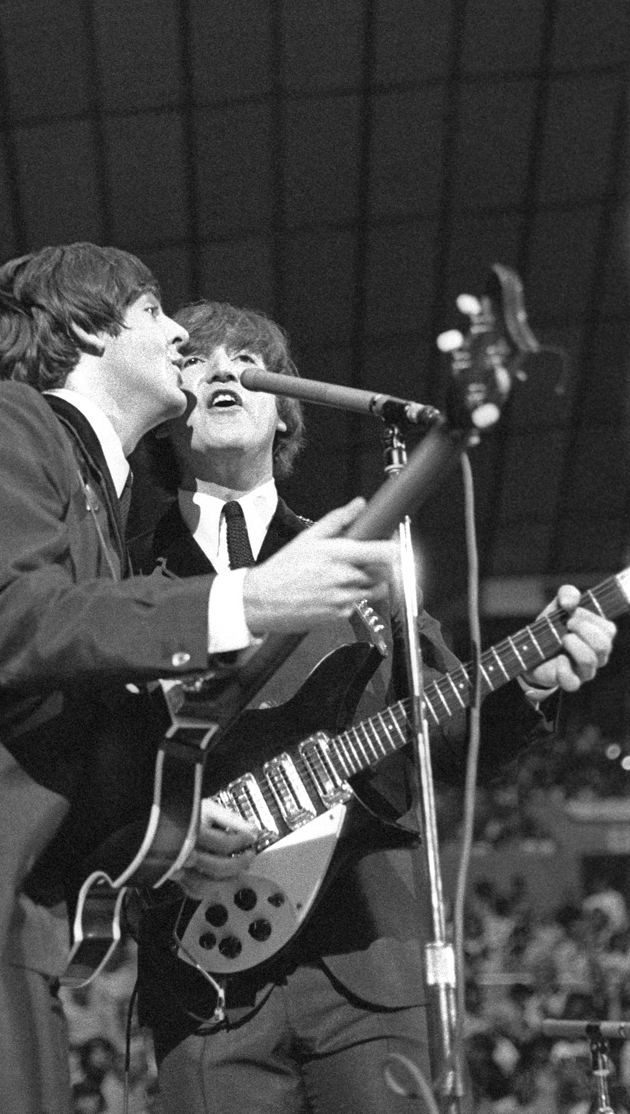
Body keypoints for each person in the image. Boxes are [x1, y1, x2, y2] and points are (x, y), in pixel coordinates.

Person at [0, 244, 406, 1114]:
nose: (180, 339)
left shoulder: (98, 508)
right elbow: (15, 622)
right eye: (154, 312)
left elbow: (56, 713)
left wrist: (171, 832)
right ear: (87, 329)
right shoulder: (8, 422)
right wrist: (248, 598)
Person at [128, 299, 616, 1114]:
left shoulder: (360, 559)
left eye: (248, 360)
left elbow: (444, 736)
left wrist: (529, 682)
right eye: (196, 359)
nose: (222, 369)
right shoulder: (123, 582)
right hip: (203, 975)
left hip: (369, 966)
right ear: (165, 412)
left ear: (286, 410)